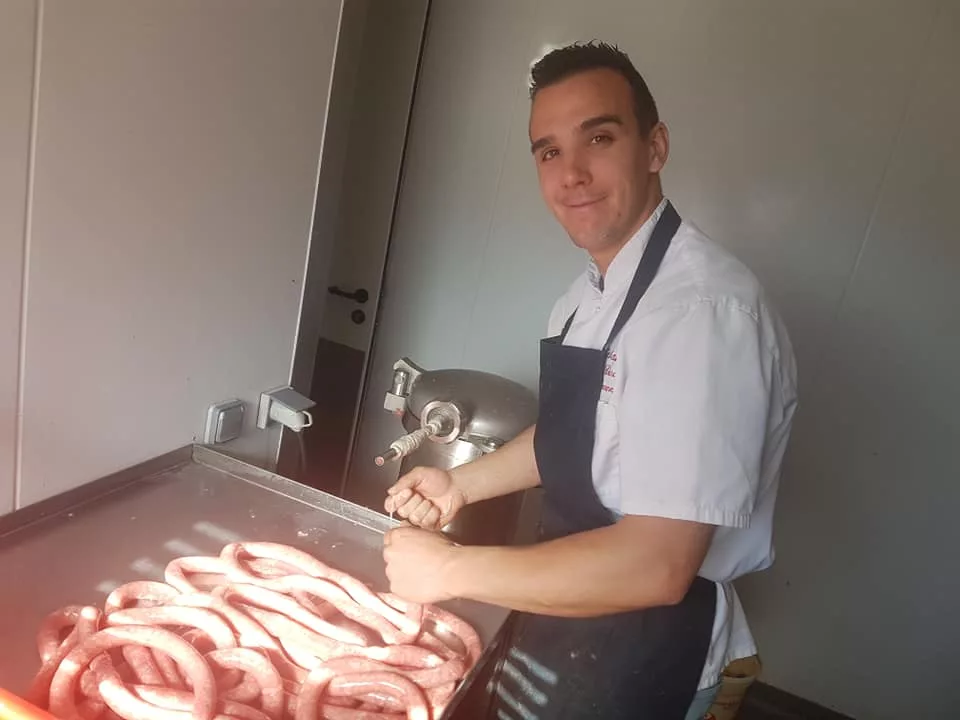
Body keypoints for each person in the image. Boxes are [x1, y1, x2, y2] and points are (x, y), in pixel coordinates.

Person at [382, 41, 798, 720]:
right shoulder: (585, 297)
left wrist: (450, 570)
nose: (571, 174)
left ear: (654, 147)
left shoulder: (703, 313)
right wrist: (463, 485)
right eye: (549, 151)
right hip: (572, 608)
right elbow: (580, 433)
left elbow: (658, 565)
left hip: (653, 643)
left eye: (598, 138)